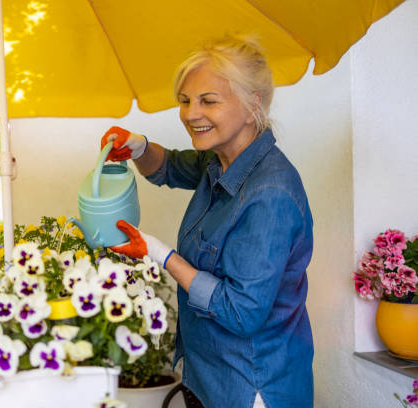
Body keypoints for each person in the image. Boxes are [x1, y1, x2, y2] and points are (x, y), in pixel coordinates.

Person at [101, 36, 314, 408]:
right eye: (185, 101)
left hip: (251, 387)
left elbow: (241, 312)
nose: (189, 113)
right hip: (210, 377)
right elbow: (167, 166)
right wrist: (137, 146)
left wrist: (159, 253)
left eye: (208, 101)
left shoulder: (270, 194)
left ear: (252, 106)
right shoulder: (220, 161)